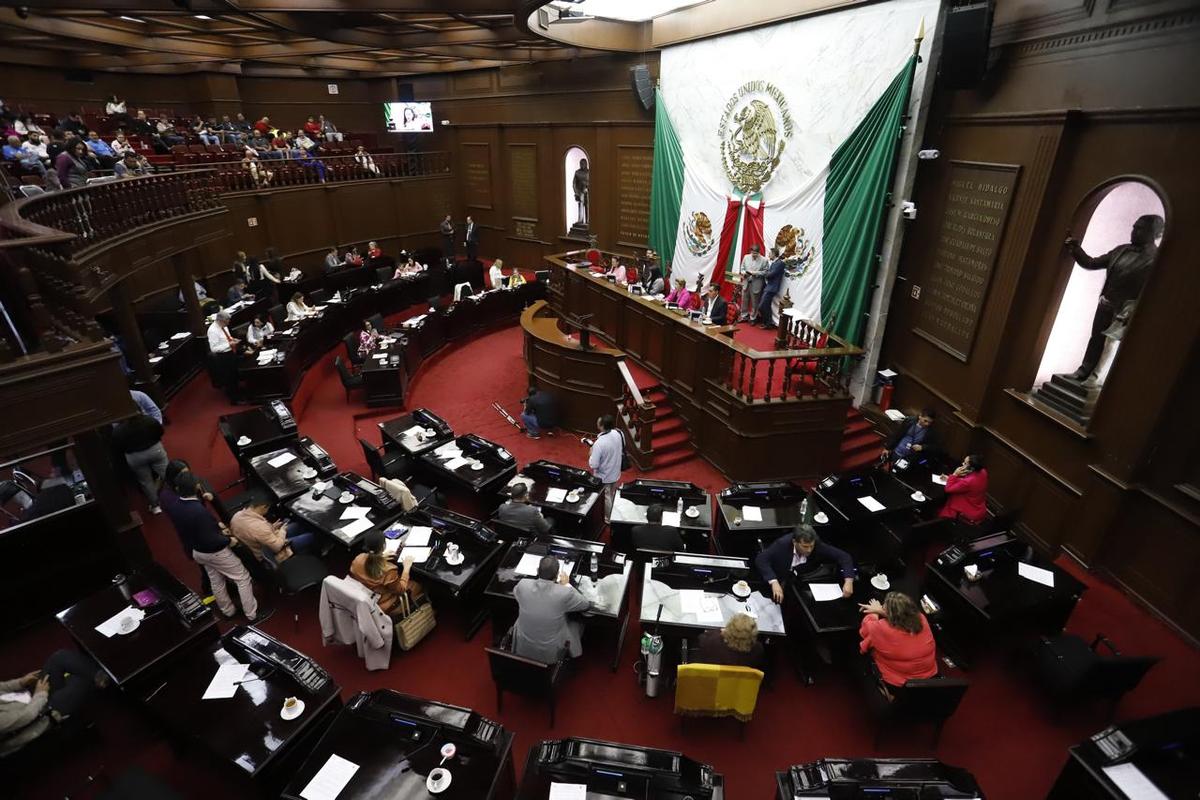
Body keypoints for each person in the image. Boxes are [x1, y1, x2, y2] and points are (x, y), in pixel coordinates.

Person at [1063, 214, 1164, 380]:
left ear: (1154, 233)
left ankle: (1097, 379)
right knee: (1095, 339)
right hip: (1105, 304)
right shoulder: (1121, 249)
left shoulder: (1156, 259)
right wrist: (1074, 248)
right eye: (1134, 227)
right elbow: (1091, 263)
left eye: (1140, 229)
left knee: (1111, 347)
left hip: (1125, 312)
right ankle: (1084, 370)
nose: (1134, 231)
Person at [165, 472, 260, 621]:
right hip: (215, 552)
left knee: (216, 581)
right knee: (242, 577)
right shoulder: (198, 510)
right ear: (196, 487)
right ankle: (252, 614)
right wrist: (228, 541)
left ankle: (228, 611)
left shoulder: (175, 506)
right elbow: (211, 539)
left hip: (198, 552)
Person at [0, 650, 107, 757]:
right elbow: (27, 716)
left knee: (60, 657)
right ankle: (101, 678)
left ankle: (100, 677)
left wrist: (20, 682)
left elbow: (2, 687)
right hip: (42, 716)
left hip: (30, 695)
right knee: (80, 680)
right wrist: (40, 693)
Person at [511, 555, 592, 662]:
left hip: (523, 648)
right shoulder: (564, 593)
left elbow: (516, 593)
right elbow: (585, 605)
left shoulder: (523, 584)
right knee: (577, 622)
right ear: (557, 575)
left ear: (537, 570)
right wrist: (566, 584)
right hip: (550, 654)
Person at [858, 592, 938, 693]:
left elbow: (865, 630)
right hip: (928, 676)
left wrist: (874, 613)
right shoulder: (921, 617)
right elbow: (902, 617)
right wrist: (882, 611)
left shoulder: (881, 628)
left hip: (901, 683)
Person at [756, 526, 856, 604]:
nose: (809, 550)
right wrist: (774, 582)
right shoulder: (782, 544)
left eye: (811, 546)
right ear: (795, 542)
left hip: (801, 580)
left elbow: (844, 557)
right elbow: (761, 559)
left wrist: (849, 581)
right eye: (805, 546)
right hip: (781, 576)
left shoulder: (817, 544)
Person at [349, 530, 421, 617]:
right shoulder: (388, 570)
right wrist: (406, 568)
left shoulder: (358, 559)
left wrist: (380, 557)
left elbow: (368, 563)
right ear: (384, 546)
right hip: (384, 604)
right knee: (418, 585)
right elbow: (401, 590)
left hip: (366, 596)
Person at [112, 411, 168, 514]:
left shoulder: (118, 430)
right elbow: (160, 431)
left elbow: (118, 447)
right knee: (167, 473)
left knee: (146, 482)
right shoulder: (148, 420)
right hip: (154, 449)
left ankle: (156, 507)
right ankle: (180, 495)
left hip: (135, 457)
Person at [230, 499, 317, 565]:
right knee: (311, 536)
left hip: (261, 543)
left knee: (297, 525)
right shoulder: (259, 527)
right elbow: (277, 547)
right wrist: (282, 531)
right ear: (264, 507)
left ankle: (307, 548)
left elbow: (255, 533)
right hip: (270, 553)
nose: (267, 511)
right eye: (268, 508)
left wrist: (271, 527)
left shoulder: (236, 516)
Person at [696, 613, 766, 670]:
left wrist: (718, 632)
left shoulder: (711, 642)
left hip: (712, 681)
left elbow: (701, 638)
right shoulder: (758, 650)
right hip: (738, 684)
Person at [587, 414, 624, 514]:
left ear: (602, 426)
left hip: (604, 476)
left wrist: (591, 454)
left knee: (606, 497)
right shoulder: (618, 433)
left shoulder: (599, 443)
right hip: (616, 471)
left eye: (598, 422)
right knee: (611, 493)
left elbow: (594, 465)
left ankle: (608, 518)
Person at [938, 454, 989, 524]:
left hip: (965, 512)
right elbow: (969, 483)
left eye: (965, 463)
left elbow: (948, 489)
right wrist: (950, 479)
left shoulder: (968, 482)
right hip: (978, 507)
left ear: (972, 468)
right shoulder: (983, 472)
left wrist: (954, 475)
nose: (962, 464)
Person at [758, 247, 786, 327]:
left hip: (772, 288)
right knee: (766, 305)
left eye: (770, 253)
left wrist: (764, 273)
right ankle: (768, 323)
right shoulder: (774, 263)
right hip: (768, 287)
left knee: (762, 306)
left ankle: (767, 322)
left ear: (774, 254)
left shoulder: (780, 263)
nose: (769, 255)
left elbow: (770, 274)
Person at [740, 243, 769, 322]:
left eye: (756, 253)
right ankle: (744, 315)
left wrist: (755, 273)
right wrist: (744, 273)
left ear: (759, 252)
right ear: (750, 251)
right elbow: (742, 268)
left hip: (756, 283)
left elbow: (766, 272)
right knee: (744, 300)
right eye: (753, 253)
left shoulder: (764, 260)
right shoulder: (746, 257)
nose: (754, 255)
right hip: (746, 282)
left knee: (755, 302)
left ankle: (753, 317)